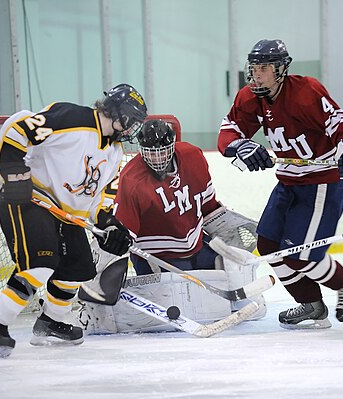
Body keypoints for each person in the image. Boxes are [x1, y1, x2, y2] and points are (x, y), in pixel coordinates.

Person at [0, 83, 147, 357]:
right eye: (132, 121)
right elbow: (18, 128)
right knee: (41, 264)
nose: (132, 129)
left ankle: (51, 322)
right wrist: (13, 171)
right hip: (28, 199)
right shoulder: (73, 118)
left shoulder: (114, 152)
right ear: (121, 115)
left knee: (78, 269)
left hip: (65, 215)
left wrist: (110, 225)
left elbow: (97, 199)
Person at [217, 38, 343, 330]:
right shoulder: (250, 97)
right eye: (254, 68)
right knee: (268, 244)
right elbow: (228, 133)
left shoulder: (306, 91)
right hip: (288, 181)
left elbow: (340, 124)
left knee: (299, 255)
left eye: (264, 68)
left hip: (322, 182)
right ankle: (311, 304)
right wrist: (241, 147)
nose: (256, 74)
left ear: (281, 69)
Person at [76, 119, 265, 333]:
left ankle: (235, 299)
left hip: (196, 246)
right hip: (159, 258)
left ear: (172, 146)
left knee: (228, 267)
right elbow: (123, 236)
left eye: (162, 151)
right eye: (150, 152)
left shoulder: (193, 157)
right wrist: (106, 265)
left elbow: (208, 205)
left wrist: (225, 230)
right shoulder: (132, 179)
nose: (156, 158)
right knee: (187, 305)